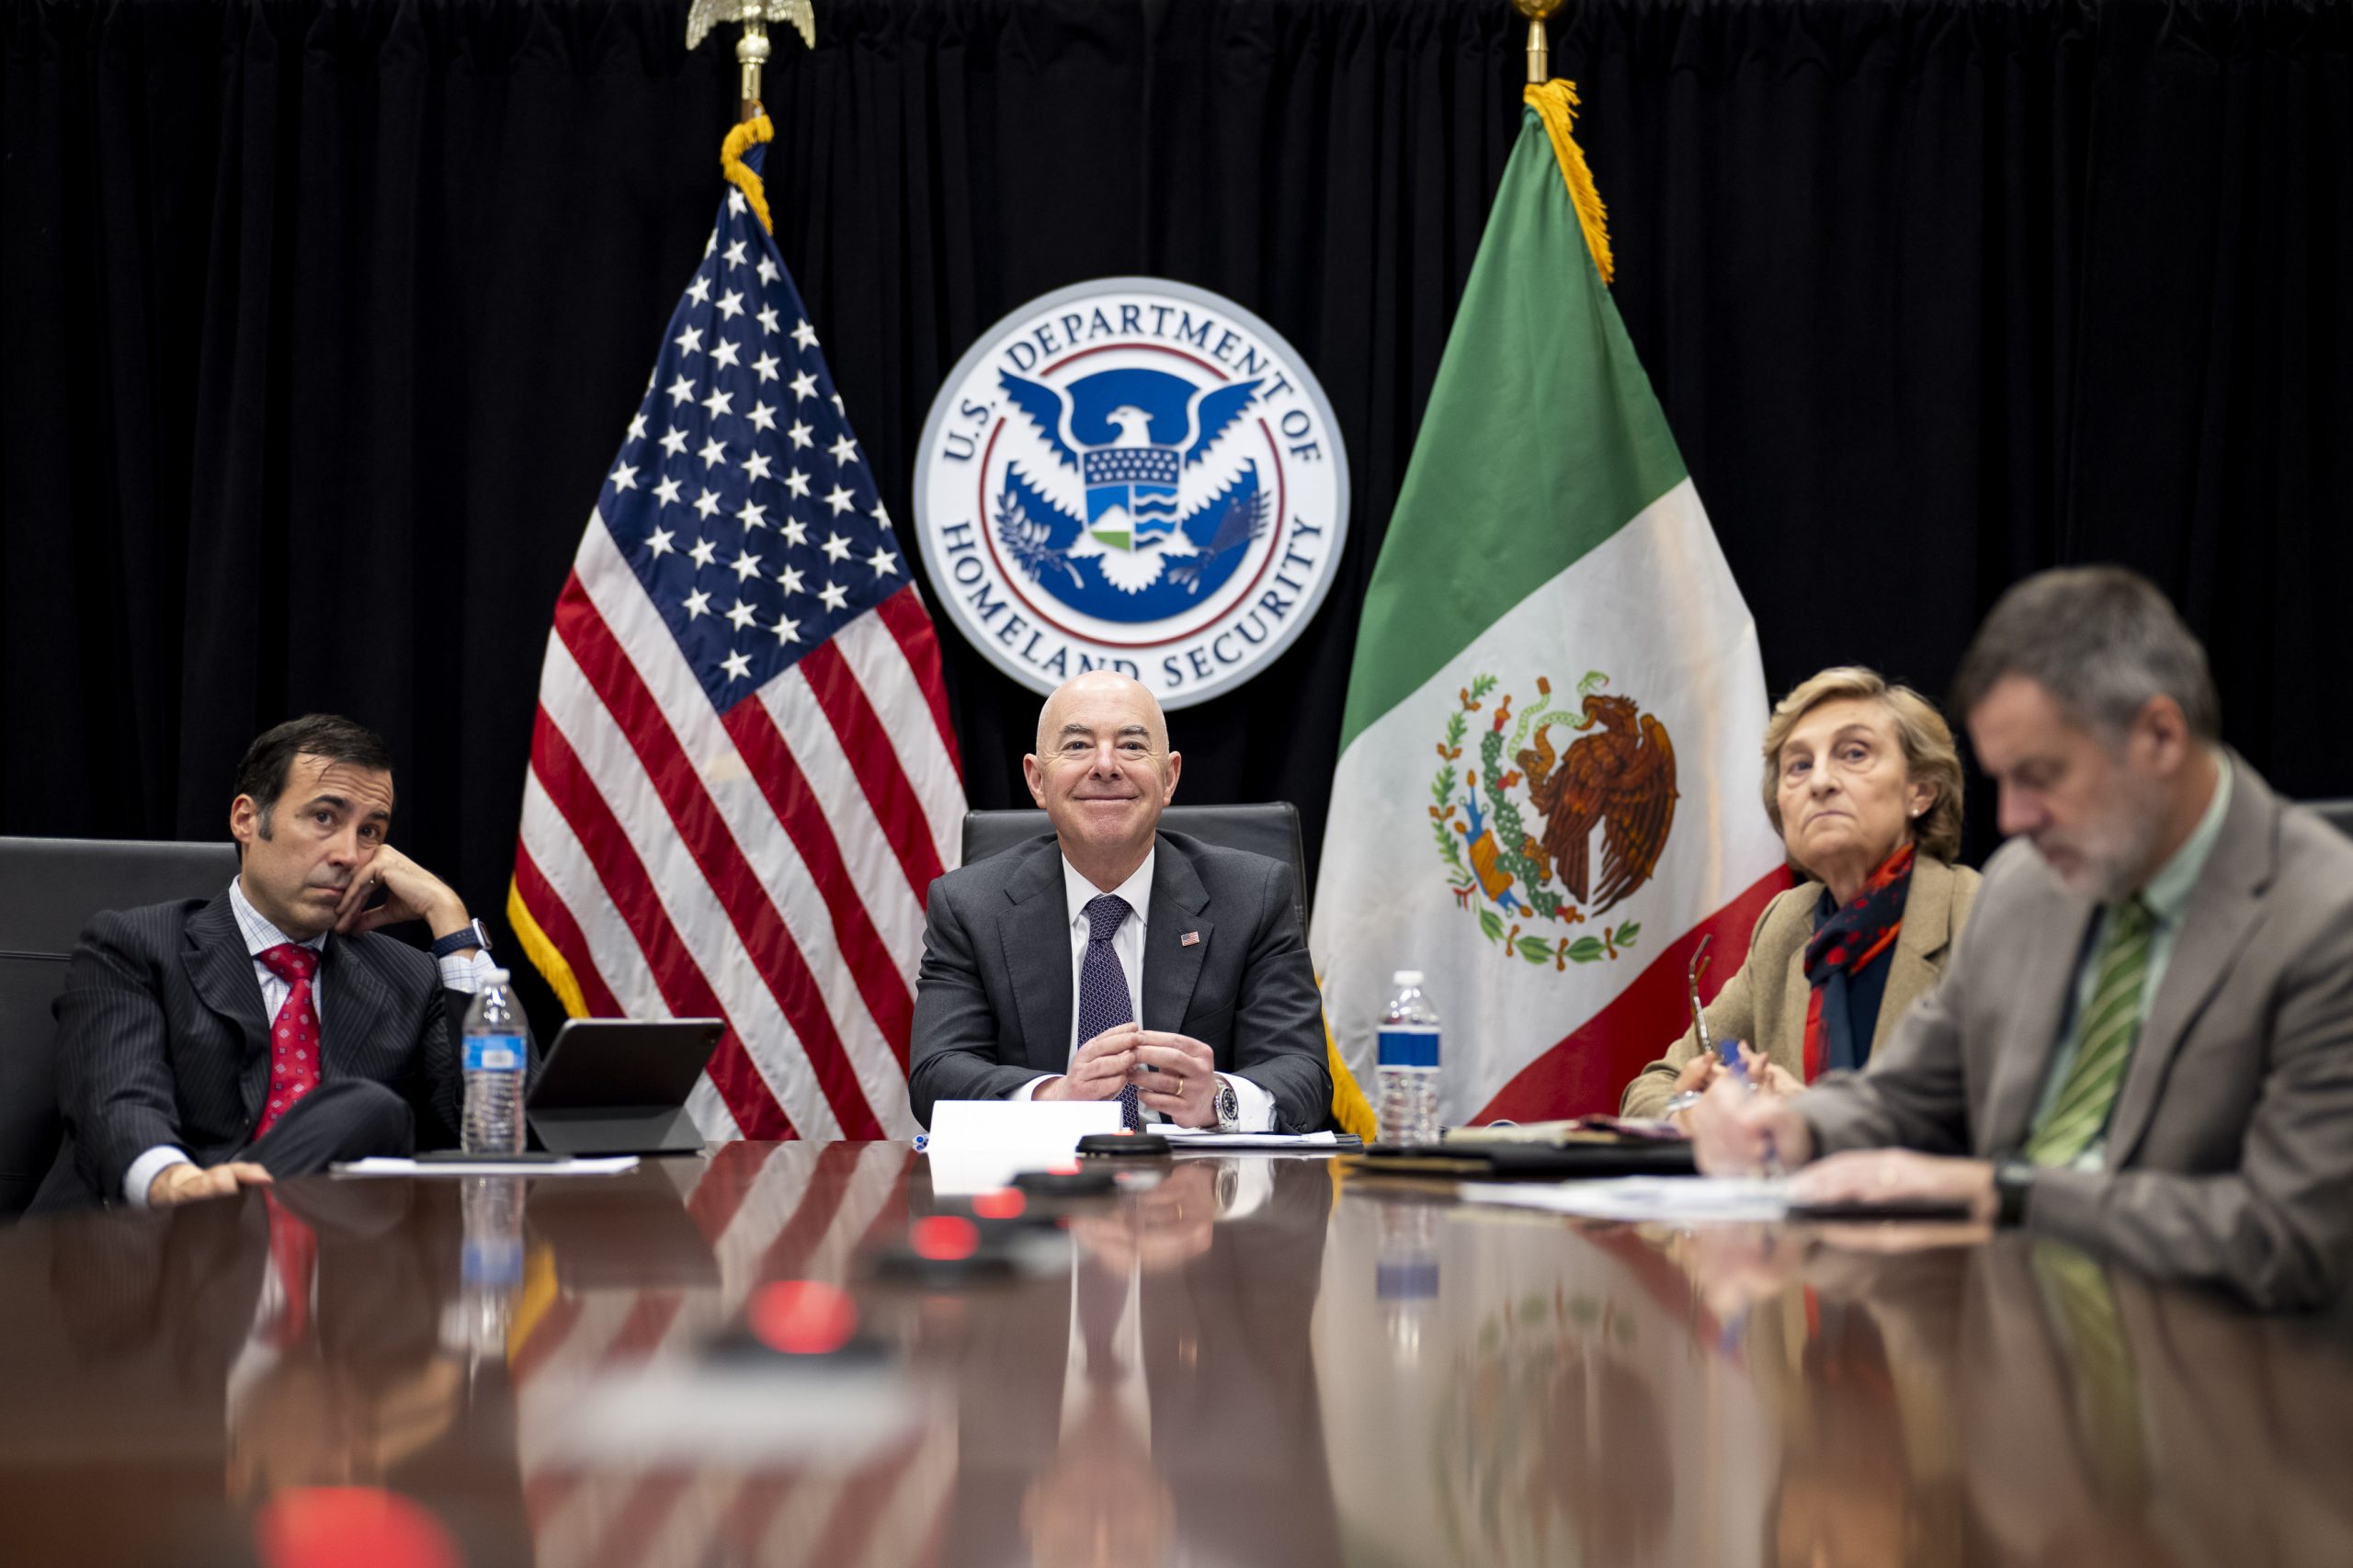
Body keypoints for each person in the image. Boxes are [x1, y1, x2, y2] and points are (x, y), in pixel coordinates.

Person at [1693, 567, 2353, 1311]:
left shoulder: (2327, 917)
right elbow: (1904, 1095)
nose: (2013, 819)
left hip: (2220, 1381)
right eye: (2003, 780)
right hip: (2002, 1355)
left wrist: (2003, 1194)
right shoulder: (2025, 890)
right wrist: (1788, 1128)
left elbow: (2291, 1238)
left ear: (2161, 736)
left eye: (2041, 776)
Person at [40, 714, 519, 1211]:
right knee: (367, 1108)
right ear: (246, 819)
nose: (350, 855)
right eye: (324, 818)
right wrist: (172, 1184)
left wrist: (451, 923)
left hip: (326, 1269)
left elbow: (504, 1134)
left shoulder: (410, 980)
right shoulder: (135, 946)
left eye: (371, 831)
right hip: (150, 1254)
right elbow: (115, 1098)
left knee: (365, 1112)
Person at [908, 671, 1329, 1131]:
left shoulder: (1253, 896)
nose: (1106, 765)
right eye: (1076, 746)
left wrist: (1219, 1101)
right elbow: (937, 1074)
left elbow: (1303, 1073)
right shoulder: (969, 905)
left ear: (1169, 778)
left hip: (1200, 1190)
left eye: (1131, 745)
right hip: (1038, 1191)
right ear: (1037, 780)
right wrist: (1056, 1097)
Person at [1620, 667, 1981, 1120]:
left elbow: (1999, 1116)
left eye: (1854, 753)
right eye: (1799, 765)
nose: (1820, 782)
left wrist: (1813, 1119)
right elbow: (1653, 1086)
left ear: (1921, 791)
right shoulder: (1788, 923)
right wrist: (1694, 1111)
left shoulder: (1976, 914)